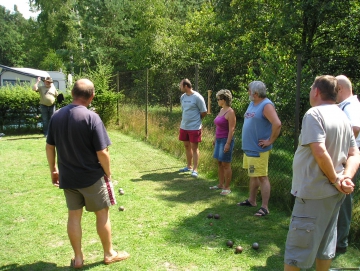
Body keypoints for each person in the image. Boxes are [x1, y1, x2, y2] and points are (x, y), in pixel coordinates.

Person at [45, 79, 129, 268]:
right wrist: (108, 173)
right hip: (91, 177)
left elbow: (49, 147)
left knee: (74, 216)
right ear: (91, 97)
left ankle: (78, 258)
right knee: (102, 214)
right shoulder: (92, 118)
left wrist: (53, 170)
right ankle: (109, 254)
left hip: (68, 177)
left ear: (73, 93)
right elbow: (102, 152)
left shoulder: (56, 116)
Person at [284, 75, 358, 271]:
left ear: (316, 91)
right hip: (334, 195)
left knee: (297, 250)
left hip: (313, 193)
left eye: (310, 89)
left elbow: (319, 150)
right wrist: (346, 178)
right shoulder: (342, 115)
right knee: (326, 243)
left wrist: (336, 179)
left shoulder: (314, 114)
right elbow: (355, 153)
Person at [238, 81, 281, 217]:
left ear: (255, 93)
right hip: (249, 149)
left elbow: (277, 124)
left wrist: (270, 140)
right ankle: (252, 200)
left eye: (249, 90)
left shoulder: (266, 105)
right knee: (253, 175)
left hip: (258, 150)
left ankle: (265, 207)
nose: (248, 92)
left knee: (262, 177)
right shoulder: (252, 103)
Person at [335, 75, 360, 254]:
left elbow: (355, 128)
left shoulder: (350, 106)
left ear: (340, 89)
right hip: (344, 157)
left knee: (343, 199)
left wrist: (339, 148)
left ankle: (340, 243)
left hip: (347, 159)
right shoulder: (344, 105)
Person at [178, 78, 207, 177]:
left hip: (194, 127)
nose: (179, 87)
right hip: (184, 126)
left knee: (194, 148)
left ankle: (195, 169)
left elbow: (204, 111)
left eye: (181, 85)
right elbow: (183, 110)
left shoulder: (197, 97)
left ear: (186, 86)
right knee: (187, 146)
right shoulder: (183, 97)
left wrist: (197, 120)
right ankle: (188, 166)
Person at [209, 89, 236, 195]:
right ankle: (220, 184)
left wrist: (228, 143)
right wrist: (215, 138)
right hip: (219, 140)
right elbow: (218, 126)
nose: (217, 101)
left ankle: (227, 187)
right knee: (219, 162)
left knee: (226, 164)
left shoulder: (230, 112)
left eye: (218, 99)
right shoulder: (221, 110)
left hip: (225, 140)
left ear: (224, 100)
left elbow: (231, 129)